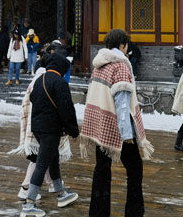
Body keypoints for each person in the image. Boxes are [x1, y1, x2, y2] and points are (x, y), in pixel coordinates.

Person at [81, 29, 153, 217]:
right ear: (123, 45)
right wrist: (127, 135)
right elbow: (122, 102)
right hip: (117, 127)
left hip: (99, 124)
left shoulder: (99, 64)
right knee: (135, 169)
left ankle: (98, 212)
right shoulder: (120, 65)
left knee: (102, 169)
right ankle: (134, 212)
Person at [19, 52, 80, 217]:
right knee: (42, 164)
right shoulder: (59, 83)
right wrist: (73, 131)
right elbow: (67, 109)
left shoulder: (39, 80)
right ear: (61, 68)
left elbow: (32, 98)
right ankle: (29, 204)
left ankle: (61, 194)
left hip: (37, 128)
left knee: (53, 160)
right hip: (50, 130)